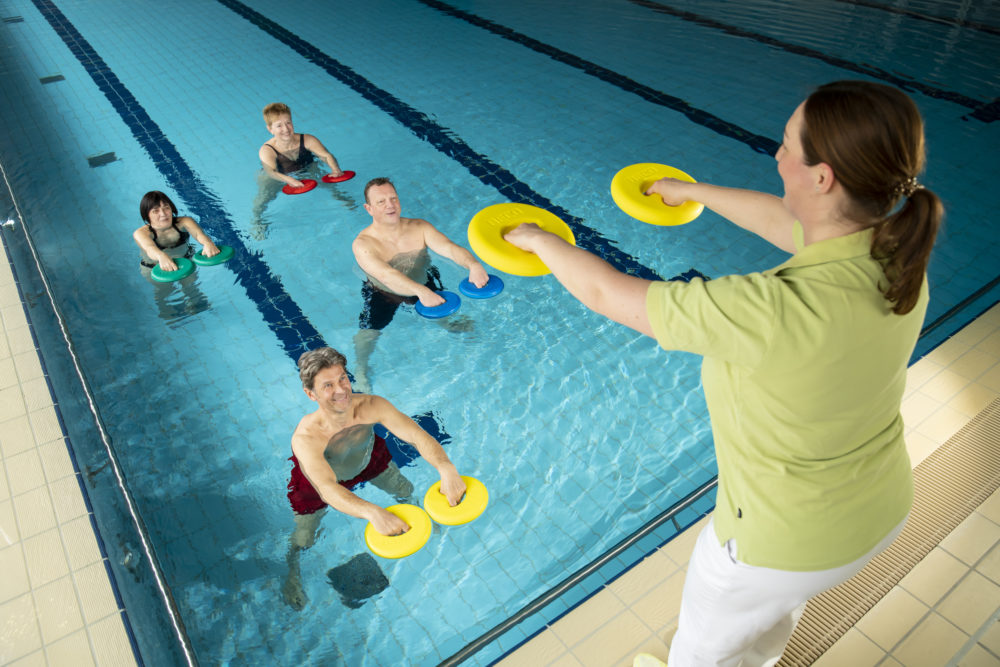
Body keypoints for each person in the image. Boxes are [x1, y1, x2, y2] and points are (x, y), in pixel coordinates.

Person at [504, 80, 942, 667]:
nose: (776, 155)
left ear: (822, 177)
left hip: (772, 542)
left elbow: (607, 293)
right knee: (767, 620)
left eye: (788, 145)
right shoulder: (896, 256)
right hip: (875, 510)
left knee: (702, 650)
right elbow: (778, 221)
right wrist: (691, 192)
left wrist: (538, 240)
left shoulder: (769, 308)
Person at [282, 347, 467, 610]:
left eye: (342, 379)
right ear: (310, 394)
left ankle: (419, 516)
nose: (341, 390)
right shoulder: (306, 438)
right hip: (321, 478)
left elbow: (416, 435)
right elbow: (327, 488)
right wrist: (373, 512)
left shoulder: (372, 406)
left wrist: (446, 467)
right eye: (327, 386)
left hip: (368, 458)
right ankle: (292, 571)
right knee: (304, 537)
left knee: (405, 488)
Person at [351, 177, 489, 390]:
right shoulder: (363, 244)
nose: (390, 205)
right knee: (369, 332)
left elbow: (449, 248)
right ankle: (361, 368)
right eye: (381, 202)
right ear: (368, 208)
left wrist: (473, 264)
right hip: (384, 292)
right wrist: (420, 291)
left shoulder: (419, 227)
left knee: (445, 314)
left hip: (423, 280)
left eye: (393, 198)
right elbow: (387, 275)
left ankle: (450, 325)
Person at [251, 102, 349, 238]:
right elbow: (271, 172)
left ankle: (341, 197)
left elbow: (326, 155)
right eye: (279, 125)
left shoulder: (307, 139)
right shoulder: (267, 150)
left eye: (288, 123)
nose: (286, 129)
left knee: (327, 182)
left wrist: (335, 169)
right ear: (270, 129)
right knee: (263, 199)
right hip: (278, 175)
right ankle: (257, 221)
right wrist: (289, 179)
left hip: (307, 168)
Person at [132, 190, 220, 321]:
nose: (163, 214)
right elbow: (150, 248)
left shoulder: (184, 222)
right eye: (155, 211)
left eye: (166, 208)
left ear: (171, 208)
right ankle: (165, 310)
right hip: (155, 268)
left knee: (190, 284)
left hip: (185, 262)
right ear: (147, 216)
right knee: (165, 291)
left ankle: (198, 308)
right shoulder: (141, 233)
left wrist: (207, 243)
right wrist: (161, 256)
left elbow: (199, 235)